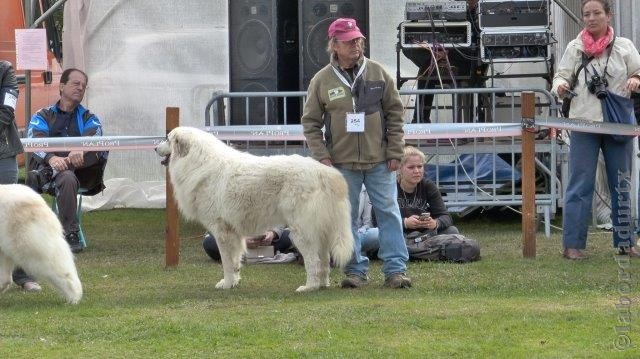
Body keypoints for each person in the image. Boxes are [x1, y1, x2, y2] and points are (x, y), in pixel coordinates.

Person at [301, 18, 411, 288]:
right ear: (334, 45)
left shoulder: (379, 73)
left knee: (389, 213)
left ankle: (395, 271)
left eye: (358, 39)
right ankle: (354, 271)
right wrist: (322, 156)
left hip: (381, 161)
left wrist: (395, 151)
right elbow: (310, 123)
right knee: (345, 219)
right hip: (340, 164)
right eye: (349, 41)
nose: (356, 44)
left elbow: (395, 114)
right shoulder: (321, 80)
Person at [552, 0, 640, 259]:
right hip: (583, 123)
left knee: (621, 183)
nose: (591, 18)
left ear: (608, 15)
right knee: (580, 184)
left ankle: (626, 242)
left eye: (596, 13)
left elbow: (639, 71)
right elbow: (561, 77)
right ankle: (572, 245)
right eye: (587, 14)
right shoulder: (575, 47)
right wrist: (559, 87)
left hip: (618, 123)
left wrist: (635, 79)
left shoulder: (624, 46)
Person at [26, 68, 108, 253]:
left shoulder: (88, 117)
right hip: (55, 170)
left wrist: (80, 147)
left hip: (81, 174)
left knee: (88, 155)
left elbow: (97, 133)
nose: (80, 88)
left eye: (84, 86)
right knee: (66, 176)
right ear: (62, 86)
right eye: (76, 83)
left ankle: (69, 232)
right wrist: (51, 158)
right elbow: (34, 139)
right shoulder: (43, 114)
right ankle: (67, 234)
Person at [361, 146, 479, 262]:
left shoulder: (428, 186)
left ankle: (406, 252)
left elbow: (445, 216)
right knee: (380, 237)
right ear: (400, 169)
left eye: (420, 166)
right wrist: (405, 223)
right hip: (400, 234)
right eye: (411, 167)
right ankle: (420, 251)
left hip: (424, 235)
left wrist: (435, 223)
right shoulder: (390, 187)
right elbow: (378, 219)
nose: (417, 171)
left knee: (452, 231)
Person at [0, 60, 42, 292]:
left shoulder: (5, 70)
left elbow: (6, 111)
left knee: (13, 218)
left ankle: (23, 275)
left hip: (3, 153)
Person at [202, 228, 297, 262]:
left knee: (290, 234)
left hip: (266, 241)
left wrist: (273, 233)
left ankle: (263, 252)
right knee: (209, 242)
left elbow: (279, 220)